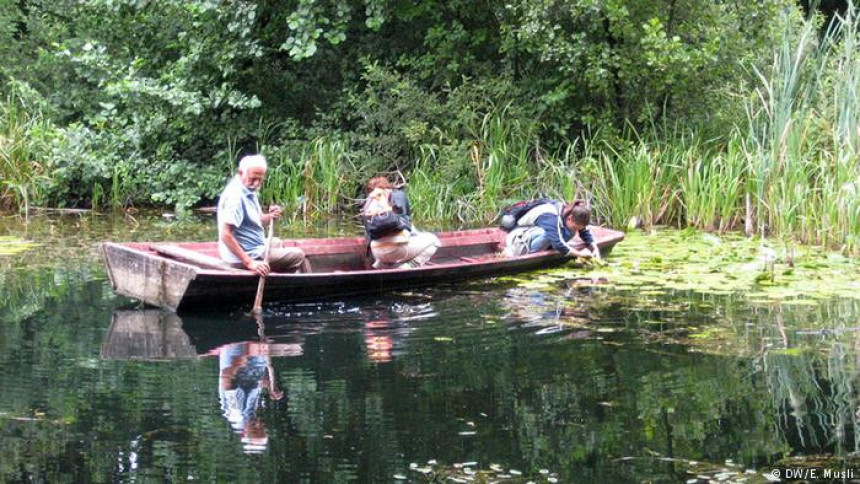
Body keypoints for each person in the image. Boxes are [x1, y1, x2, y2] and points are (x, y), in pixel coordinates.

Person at [217, 154, 310, 275]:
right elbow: (225, 234)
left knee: (277, 242)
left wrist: (271, 216)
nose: (256, 183)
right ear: (241, 173)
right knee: (298, 255)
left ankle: (277, 276)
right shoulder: (236, 197)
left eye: (260, 179)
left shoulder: (248, 189)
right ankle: (302, 284)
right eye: (253, 179)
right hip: (242, 257)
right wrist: (249, 262)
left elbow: (259, 220)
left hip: (255, 247)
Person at [361, 176, 440, 269]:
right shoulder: (397, 195)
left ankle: (381, 264)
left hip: (376, 252)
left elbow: (369, 234)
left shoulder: (369, 203)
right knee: (434, 241)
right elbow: (407, 224)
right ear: (387, 186)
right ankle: (412, 265)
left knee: (383, 242)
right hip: (398, 250)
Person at [504, 199, 601, 259]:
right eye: (576, 226)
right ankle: (531, 253)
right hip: (519, 239)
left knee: (568, 231)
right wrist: (580, 254)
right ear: (570, 218)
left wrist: (595, 249)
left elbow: (585, 232)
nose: (577, 229)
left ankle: (548, 249)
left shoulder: (572, 213)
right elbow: (558, 243)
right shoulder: (551, 216)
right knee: (550, 235)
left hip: (535, 236)